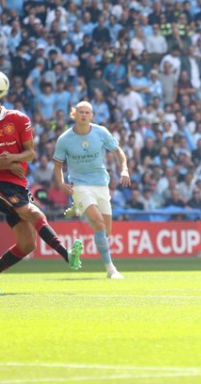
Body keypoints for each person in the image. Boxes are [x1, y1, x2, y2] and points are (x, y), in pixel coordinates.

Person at [0, 82, 83, 294]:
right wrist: (7, 164)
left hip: (18, 185)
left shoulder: (18, 119)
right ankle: (67, 254)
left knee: (27, 245)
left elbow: (30, 153)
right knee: (33, 212)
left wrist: (13, 158)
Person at [53, 101, 130, 279]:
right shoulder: (65, 139)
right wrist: (62, 182)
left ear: (92, 115)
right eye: (81, 112)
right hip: (79, 185)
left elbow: (118, 151)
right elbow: (57, 165)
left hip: (101, 184)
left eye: (88, 112)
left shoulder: (101, 132)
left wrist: (124, 169)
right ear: (75, 114)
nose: (84, 115)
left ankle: (79, 209)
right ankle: (111, 270)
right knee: (99, 224)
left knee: (105, 231)